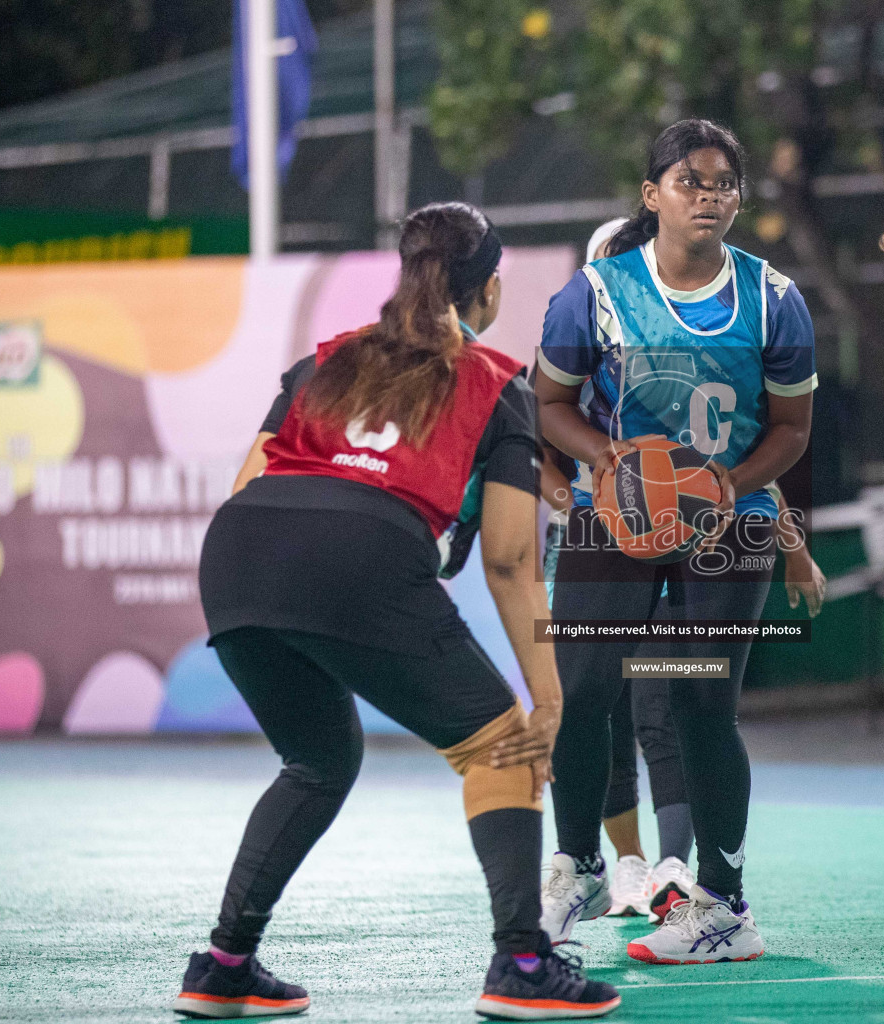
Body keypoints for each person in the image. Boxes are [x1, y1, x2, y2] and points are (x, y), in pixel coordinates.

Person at [172, 202, 618, 1021]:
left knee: (318, 760)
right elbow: (515, 562)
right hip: (356, 559)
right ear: (484, 293)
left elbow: (250, 485)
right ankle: (522, 962)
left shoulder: (327, 362)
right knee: (506, 752)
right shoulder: (495, 385)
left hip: (236, 559)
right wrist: (548, 701)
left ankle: (224, 962)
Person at [534, 118, 816, 964]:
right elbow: (546, 404)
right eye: (691, 181)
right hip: (616, 515)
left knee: (700, 705)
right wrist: (603, 456)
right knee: (581, 689)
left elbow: (794, 427)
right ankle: (579, 861)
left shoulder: (773, 298)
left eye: (725, 182)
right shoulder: (595, 293)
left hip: (726, 527)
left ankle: (725, 908)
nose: (711, 195)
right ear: (652, 195)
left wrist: (730, 483)